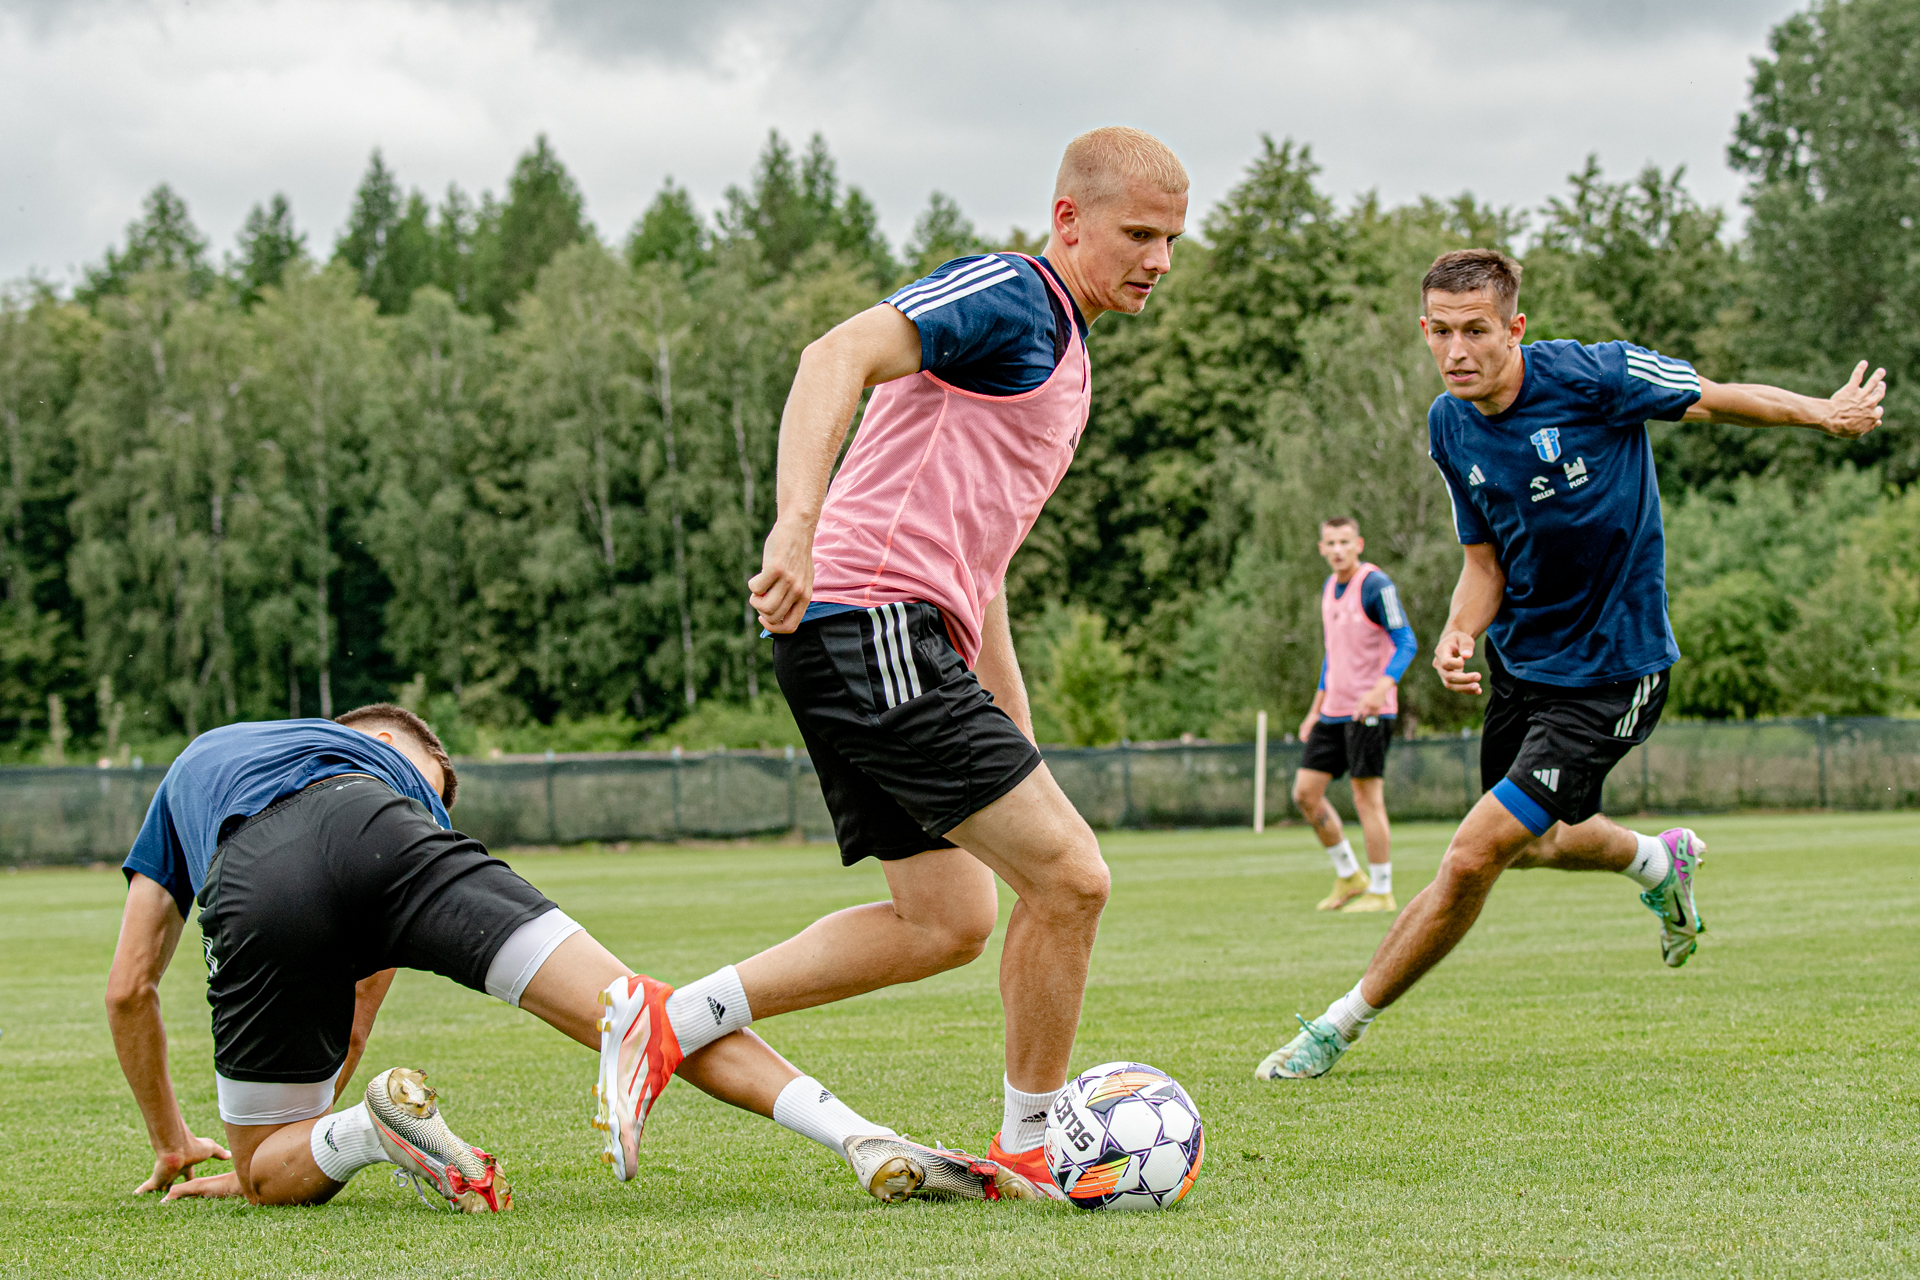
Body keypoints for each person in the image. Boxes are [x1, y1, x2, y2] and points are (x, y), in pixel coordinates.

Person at [1256, 248, 1885, 1081]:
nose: (1456, 351)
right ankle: (1658, 862)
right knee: (1533, 843)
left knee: (1472, 854)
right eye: (1439, 332)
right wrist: (1457, 632)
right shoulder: (1449, 424)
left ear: (1515, 328)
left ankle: (1337, 1026)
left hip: (1615, 671)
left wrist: (1821, 413)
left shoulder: (1597, 376)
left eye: (1475, 331)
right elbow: (1484, 563)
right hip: (1524, 666)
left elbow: (1716, 397)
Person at [708, 126, 1188, 1196]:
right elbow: (832, 354)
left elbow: (986, 565)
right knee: (1072, 877)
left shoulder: (1066, 357)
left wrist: (1012, 722)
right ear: (1069, 220)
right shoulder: (1014, 293)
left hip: (889, 633)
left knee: (950, 918)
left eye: (1172, 241)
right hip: (870, 617)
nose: (1159, 260)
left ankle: (668, 1017)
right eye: (1138, 234)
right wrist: (795, 523)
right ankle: (1030, 1143)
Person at [107, 705, 1037, 1209]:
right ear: (382, 745)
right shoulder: (398, 791)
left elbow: (128, 988)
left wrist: (190, 1140)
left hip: (256, 868)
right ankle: (856, 1135)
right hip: (392, 842)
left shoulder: (204, 759)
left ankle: (367, 1133)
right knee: (641, 1011)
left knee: (266, 1172)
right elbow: (357, 1005)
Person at [1294, 517, 1417, 914]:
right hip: (1333, 712)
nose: (1338, 550)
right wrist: (1314, 711)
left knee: (1366, 799)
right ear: (1321, 548)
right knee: (1305, 794)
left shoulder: (1376, 586)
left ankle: (1381, 890)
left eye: (1344, 542)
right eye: (1330, 543)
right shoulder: (1329, 588)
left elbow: (1406, 641)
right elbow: (1332, 656)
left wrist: (1381, 689)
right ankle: (1349, 875)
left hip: (1369, 711)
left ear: (1359, 544)